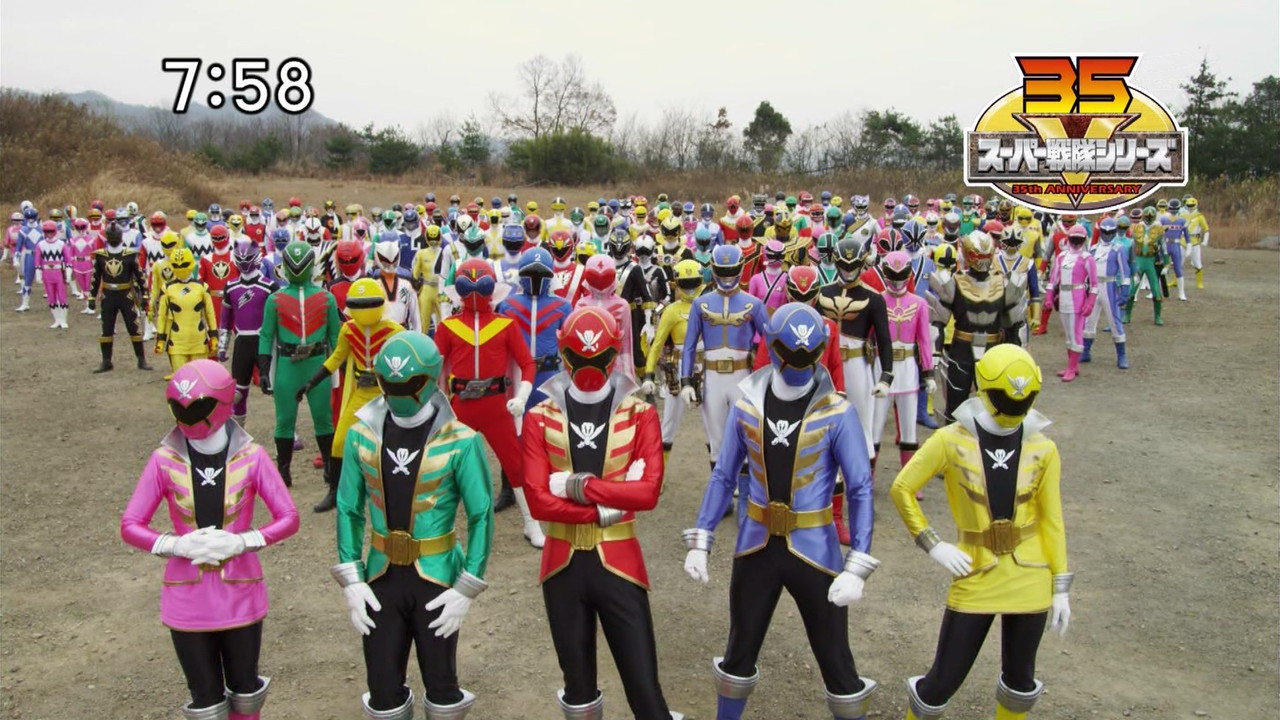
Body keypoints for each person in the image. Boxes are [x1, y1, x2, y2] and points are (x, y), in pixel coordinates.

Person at [683, 302, 880, 720]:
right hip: (757, 545)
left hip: (815, 548)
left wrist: (858, 564)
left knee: (836, 660)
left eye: (808, 355)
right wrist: (702, 537)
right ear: (773, 348)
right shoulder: (748, 404)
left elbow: (861, 487)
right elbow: (723, 474)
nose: (799, 364)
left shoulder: (838, 412)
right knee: (739, 650)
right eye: (793, 353)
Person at [889, 345, 1072, 720]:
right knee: (942, 680)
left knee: (1020, 680)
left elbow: (1052, 519)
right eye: (1006, 398)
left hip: (1031, 572)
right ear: (983, 389)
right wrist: (932, 544)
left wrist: (1060, 585)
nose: (1014, 408)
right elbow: (902, 488)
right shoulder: (950, 440)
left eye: (1024, 399)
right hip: (975, 570)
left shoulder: (1043, 448)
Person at [521, 306, 682, 720]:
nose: (588, 367)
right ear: (564, 354)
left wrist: (578, 487)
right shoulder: (540, 417)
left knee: (645, 689)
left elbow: (648, 493)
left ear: (614, 353)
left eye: (599, 357)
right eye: (579, 357)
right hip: (564, 565)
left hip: (618, 563)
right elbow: (538, 502)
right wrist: (610, 507)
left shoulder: (640, 413)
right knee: (578, 692)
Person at [120, 360, 299, 720]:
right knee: (205, 700)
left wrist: (243, 542)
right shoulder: (163, 460)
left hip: (240, 592)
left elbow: (289, 517)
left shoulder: (253, 456)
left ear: (223, 404)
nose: (187, 418)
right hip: (188, 598)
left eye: (197, 408)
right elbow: (130, 524)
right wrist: (176, 544)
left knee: (246, 691)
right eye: (179, 408)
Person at [330, 331, 493, 720]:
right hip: (380, 575)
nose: (397, 393)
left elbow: (481, 514)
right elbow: (348, 508)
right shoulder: (360, 435)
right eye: (389, 382)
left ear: (430, 378)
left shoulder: (462, 440)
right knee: (382, 687)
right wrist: (351, 579)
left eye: (408, 383)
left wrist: (467, 586)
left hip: (436, 576)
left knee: (442, 683)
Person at [433, 259, 538, 534]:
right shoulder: (448, 327)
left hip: (496, 405)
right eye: (466, 285)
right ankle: (436, 525)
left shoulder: (505, 325)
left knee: (515, 464)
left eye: (482, 285)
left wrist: (522, 396)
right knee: (444, 464)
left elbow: (527, 363)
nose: (474, 292)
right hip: (460, 405)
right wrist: (434, 403)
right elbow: (433, 367)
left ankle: (531, 521)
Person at [294, 278, 404, 511]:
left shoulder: (394, 331)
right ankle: (335, 492)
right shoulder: (349, 329)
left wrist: (384, 379)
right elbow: (336, 358)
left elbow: (405, 362)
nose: (364, 310)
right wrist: (311, 382)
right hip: (361, 395)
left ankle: (393, 493)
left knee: (392, 445)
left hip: (386, 397)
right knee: (339, 442)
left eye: (369, 304)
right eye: (358, 305)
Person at [257, 241, 344, 496]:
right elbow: (266, 335)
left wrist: (339, 366)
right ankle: (283, 470)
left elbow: (336, 337)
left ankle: (329, 467)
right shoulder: (275, 300)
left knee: (323, 419)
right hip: (290, 362)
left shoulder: (326, 298)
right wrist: (264, 368)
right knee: (285, 420)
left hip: (316, 363)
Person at [681, 244, 767, 486]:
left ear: (739, 269)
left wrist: (767, 378)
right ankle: (721, 491)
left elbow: (770, 342)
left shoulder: (754, 304)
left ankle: (745, 489)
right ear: (714, 269)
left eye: (731, 271)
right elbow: (689, 345)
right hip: (712, 377)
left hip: (743, 376)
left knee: (747, 433)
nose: (727, 277)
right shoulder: (700, 304)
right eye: (722, 271)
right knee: (716, 438)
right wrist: (686, 381)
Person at [928, 232, 1025, 420]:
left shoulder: (1004, 283)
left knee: (994, 405)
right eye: (977, 255)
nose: (982, 260)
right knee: (955, 407)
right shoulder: (953, 282)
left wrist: (1017, 356)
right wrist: (934, 355)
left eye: (986, 255)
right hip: (961, 350)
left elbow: (1016, 325)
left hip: (992, 351)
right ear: (967, 254)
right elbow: (937, 322)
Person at [869, 251, 936, 480]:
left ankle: (909, 480)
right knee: (874, 427)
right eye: (892, 275)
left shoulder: (919, 303)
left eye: (901, 276)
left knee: (909, 429)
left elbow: (924, 340)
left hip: (907, 368)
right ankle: (868, 478)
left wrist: (929, 372)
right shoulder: (876, 300)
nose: (897, 281)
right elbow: (867, 337)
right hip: (881, 367)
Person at [641, 259, 703, 461]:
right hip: (677, 369)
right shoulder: (671, 311)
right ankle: (658, 471)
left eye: (693, 282)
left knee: (714, 426)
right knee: (668, 424)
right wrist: (649, 375)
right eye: (686, 283)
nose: (690, 288)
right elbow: (657, 344)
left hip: (706, 368)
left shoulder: (709, 305)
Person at [219, 239, 278, 427]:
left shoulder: (269, 286)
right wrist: (222, 346)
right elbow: (225, 319)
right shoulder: (231, 286)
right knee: (238, 392)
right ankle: (237, 433)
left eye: (248, 258)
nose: (244, 263)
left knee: (277, 389)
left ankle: (287, 433)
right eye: (240, 259)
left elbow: (278, 319)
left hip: (265, 343)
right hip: (242, 344)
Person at [88, 225, 152, 372]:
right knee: (107, 328)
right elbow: (95, 278)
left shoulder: (130, 254)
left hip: (126, 295)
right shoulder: (101, 255)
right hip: (108, 295)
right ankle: (106, 361)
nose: (114, 239)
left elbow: (140, 276)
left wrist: (145, 295)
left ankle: (141, 359)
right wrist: (91, 297)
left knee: (133, 326)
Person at [1043, 226, 1097, 382]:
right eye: (1074, 239)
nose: (1076, 242)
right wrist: (1049, 297)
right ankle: (1072, 365)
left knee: (1076, 333)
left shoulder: (1087, 258)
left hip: (1078, 296)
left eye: (1079, 240)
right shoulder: (1061, 257)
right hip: (1063, 297)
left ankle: (1072, 367)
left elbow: (1094, 284)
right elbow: (1053, 279)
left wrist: (1090, 303)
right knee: (1068, 333)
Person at [155, 248, 218, 377]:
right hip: (177, 341)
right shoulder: (167, 288)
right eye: (176, 265)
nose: (180, 268)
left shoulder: (202, 287)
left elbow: (210, 314)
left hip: (198, 340)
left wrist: (213, 335)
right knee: (181, 378)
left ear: (191, 264)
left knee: (199, 377)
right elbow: (162, 316)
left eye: (184, 265)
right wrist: (160, 339)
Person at [1082, 218, 1130, 369]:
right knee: (1089, 320)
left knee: (1115, 321)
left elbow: (1125, 270)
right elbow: (1086, 270)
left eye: (1110, 232)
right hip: (1094, 287)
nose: (1107, 235)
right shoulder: (1093, 249)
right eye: (1104, 232)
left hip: (1110, 286)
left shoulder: (1118, 248)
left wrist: (1125, 289)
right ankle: (1085, 351)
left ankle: (1121, 355)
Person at [35, 220, 71, 328]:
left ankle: (63, 320)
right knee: (51, 297)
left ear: (55, 231)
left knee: (62, 296)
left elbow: (68, 260)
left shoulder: (61, 244)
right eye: (47, 231)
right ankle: (57, 320)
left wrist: (68, 274)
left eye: (51, 231)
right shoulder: (40, 245)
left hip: (59, 273)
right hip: (47, 274)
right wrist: (38, 275)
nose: (49, 233)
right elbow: (37, 262)